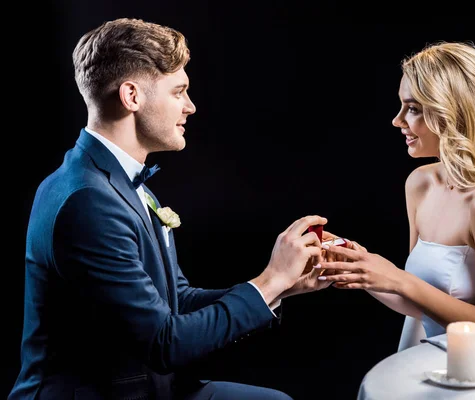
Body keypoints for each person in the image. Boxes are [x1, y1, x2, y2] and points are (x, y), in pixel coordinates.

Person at [9, 17, 331, 400]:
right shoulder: (88, 201)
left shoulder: (116, 179)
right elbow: (165, 344)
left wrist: (283, 285)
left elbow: (175, 302)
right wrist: (269, 281)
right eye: (179, 91)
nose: (190, 107)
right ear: (132, 96)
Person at [315, 41, 475, 348]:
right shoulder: (420, 184)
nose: (397, 120)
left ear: (455, 113)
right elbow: (420, 306)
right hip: (441, 361)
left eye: (413, 109)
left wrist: (397, 278)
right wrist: (362, 266)